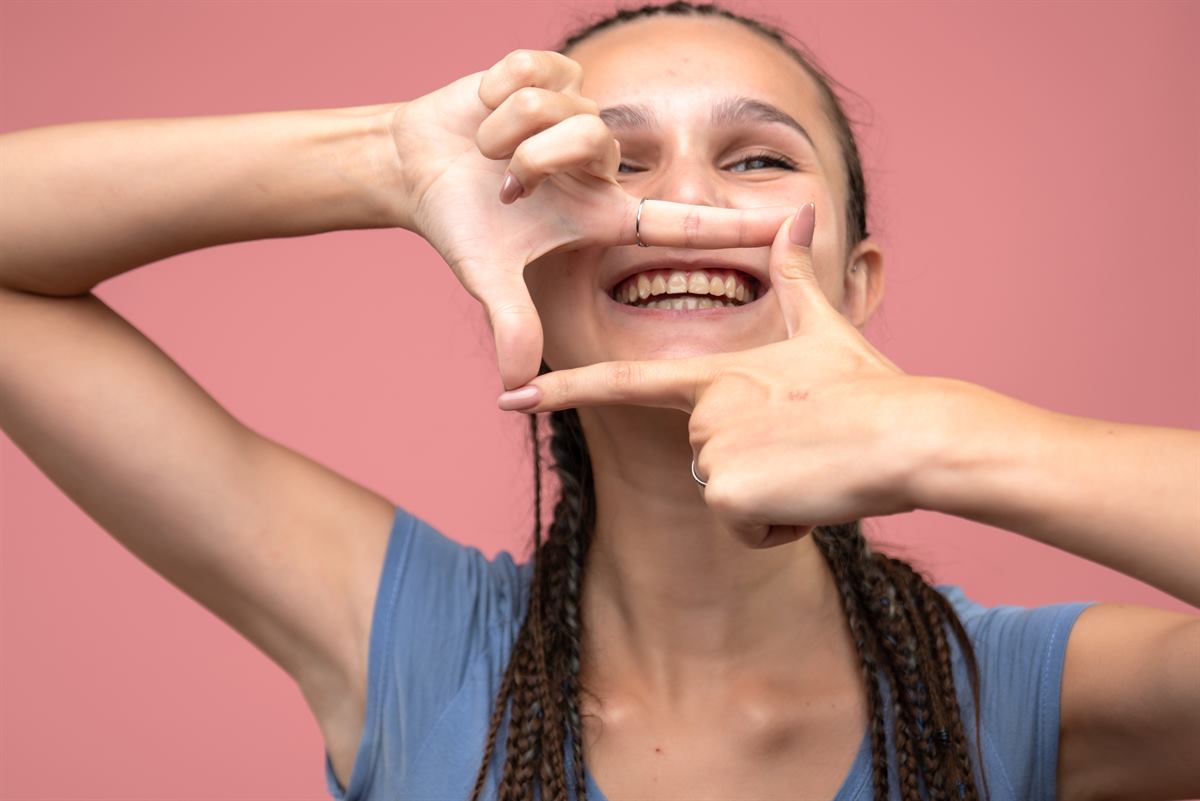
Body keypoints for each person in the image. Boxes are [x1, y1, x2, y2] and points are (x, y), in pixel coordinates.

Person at [0, 2, 1196, 800]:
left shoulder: (1027, 703)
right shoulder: (413, 649)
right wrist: (387, 161)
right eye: (610, 163)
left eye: (757, 158)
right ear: (517, 261)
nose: (681, 200)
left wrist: (944, 437)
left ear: (857, 281)